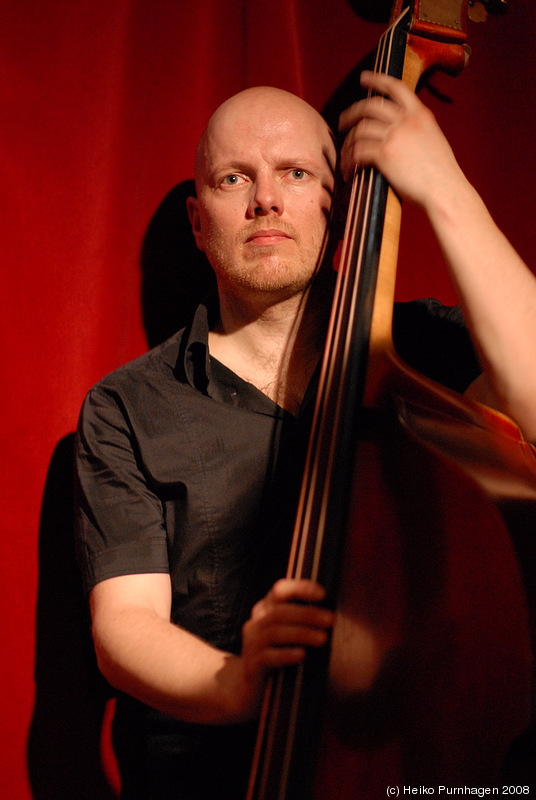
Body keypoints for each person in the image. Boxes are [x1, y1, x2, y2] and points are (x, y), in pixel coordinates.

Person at [75, 72, 536, 799]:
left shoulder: (422, 354)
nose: (266, 198)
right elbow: (124, 627)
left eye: (295, 172)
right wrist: (237, 684)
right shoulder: (127, 405)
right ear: (199, 223)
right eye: (235, 178)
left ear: (338, 205)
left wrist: (446, 190)